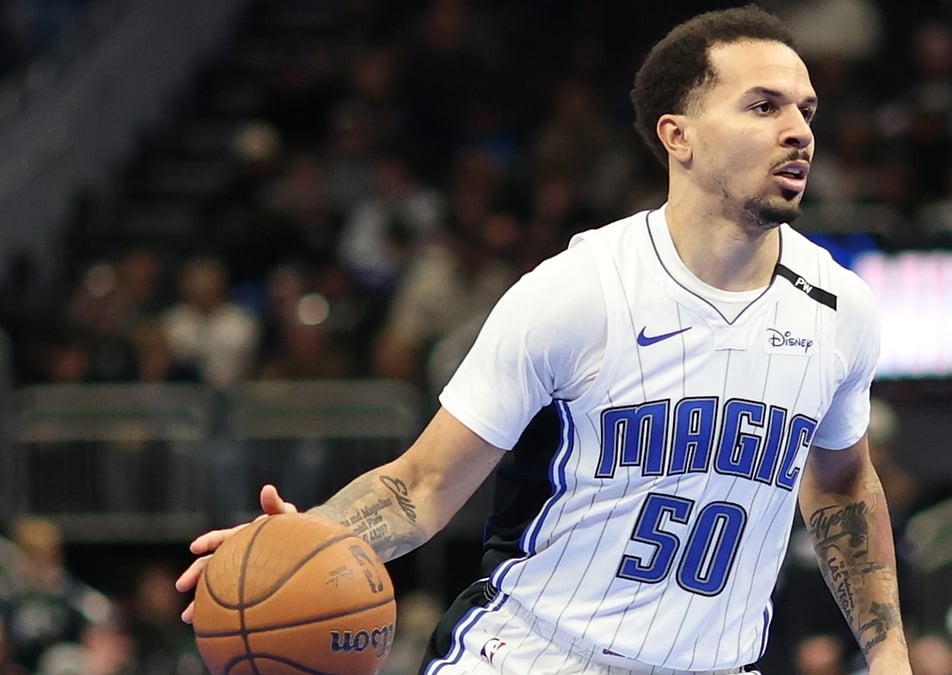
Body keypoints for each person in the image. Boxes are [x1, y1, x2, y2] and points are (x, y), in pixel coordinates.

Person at [177, 6, 913, 674]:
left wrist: (890, 656)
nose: (799, 131)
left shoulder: (838, 307)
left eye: (806, 110)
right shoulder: (579, 290)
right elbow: (425, 483)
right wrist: (295, 542)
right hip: (537, 653)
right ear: (677, 135)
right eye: (763, 106)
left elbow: (844, 484)